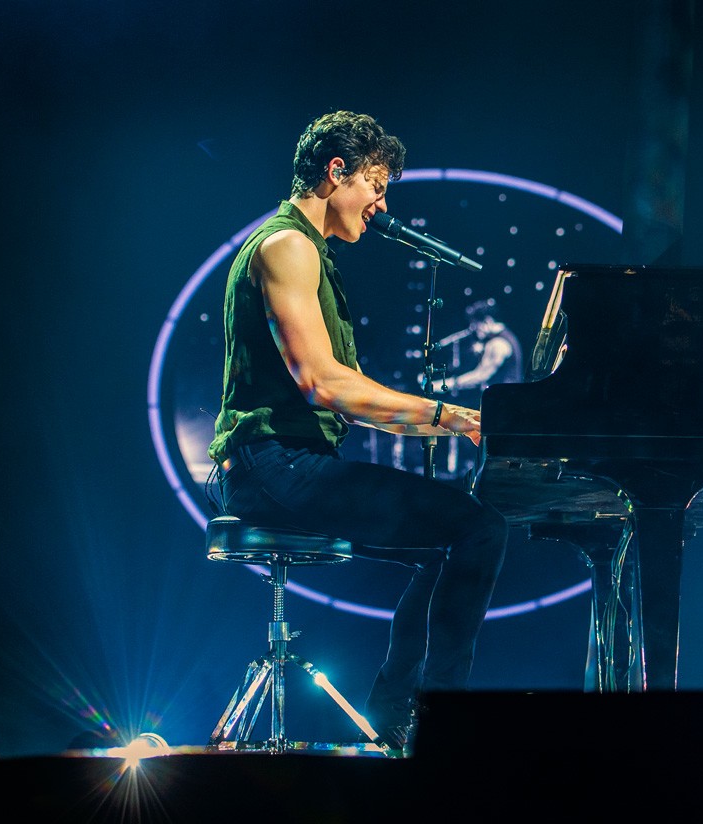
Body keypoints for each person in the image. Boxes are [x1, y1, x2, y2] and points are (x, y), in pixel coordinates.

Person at [206, 110, 508, 756]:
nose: (382, 203)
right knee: (478, 527)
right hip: (274, 467)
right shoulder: (287, 247)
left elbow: (342, 395)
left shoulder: (309, 252)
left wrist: (433, 418)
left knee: (447, 541)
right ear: (336, 171)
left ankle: (397, 716)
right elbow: (325, 384)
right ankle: (439, 726)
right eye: (376, 184)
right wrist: (450, 416)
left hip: (284, 464)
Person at [431, 299, 524, 396]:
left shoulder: (498, 343)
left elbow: (480, 376)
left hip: (504, 399)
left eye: (475, 325)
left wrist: (443, 385)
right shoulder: (504, 336)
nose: (473, 330)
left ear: (487, 321)